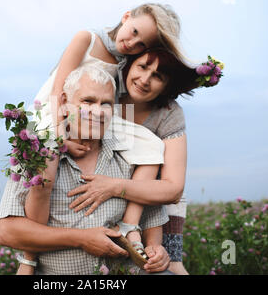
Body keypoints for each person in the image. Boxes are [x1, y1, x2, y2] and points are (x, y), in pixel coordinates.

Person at [14, 3, 183, 274]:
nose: (133, 42)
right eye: (135, 31)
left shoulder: (127, 62)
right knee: (43, 179)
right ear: (126, 16)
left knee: (152, 146)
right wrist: (60, 137)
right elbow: (58, 88)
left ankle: (130, 226)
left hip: (94, 117)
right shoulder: (86, 37)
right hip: (57, 111)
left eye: (142, 44)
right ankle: (29, 259)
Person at [0, 64, 172, 275]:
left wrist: (156, 250)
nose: (97, 111)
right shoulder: (37, 156)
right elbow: (6, 233)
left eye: (105, 104)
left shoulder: (130, 157)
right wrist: (82, 239)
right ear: (63, 102)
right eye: (88, 101)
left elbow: (152, 219)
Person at [66, 46, 214, 275]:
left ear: (167, 84)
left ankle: (131, 228)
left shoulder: (168, 113)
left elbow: (173, 189)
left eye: (158, 76)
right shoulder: (106, 91)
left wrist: (114, 187)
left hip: (149, 196)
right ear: (129, 65)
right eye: (142, 67)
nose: (145, 79)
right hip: (98, 192)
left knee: (172, 265)